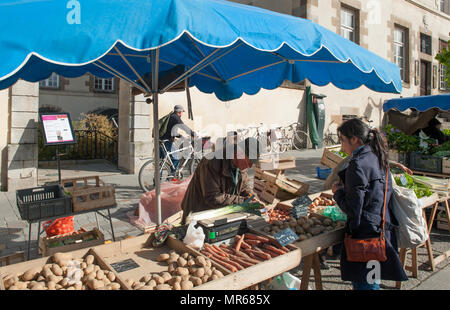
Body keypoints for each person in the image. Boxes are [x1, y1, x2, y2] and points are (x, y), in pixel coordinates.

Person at [331, 118, 407, 290]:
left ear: (355, 139)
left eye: (343, 140)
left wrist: (339, 193)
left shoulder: (357, 164)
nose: (342, 147)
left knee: (365, 283)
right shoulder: (377, 154)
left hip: (365, 233)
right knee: (372, 280)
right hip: (380, 225)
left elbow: (353, 208)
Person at [181, 137, 262, 224]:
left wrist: (253, 198)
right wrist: (243, 201)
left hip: (219, 215)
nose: (250, 166)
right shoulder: (210, 163)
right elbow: (213, 197)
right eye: (249, 161)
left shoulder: (241, 166)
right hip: (198, 216)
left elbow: (244, 188)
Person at [160, 105, 196, 175]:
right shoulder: (176, 117)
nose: (182, 114)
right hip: (167, 141)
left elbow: (172, 132)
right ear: (179, 112)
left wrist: (181, 136)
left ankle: (157, 179)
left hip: (162, 140)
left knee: (161, 161)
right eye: (182, 112)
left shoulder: (171, 116)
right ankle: (172, 176)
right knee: (175, 158)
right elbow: (183, 127)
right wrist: (193, 134)